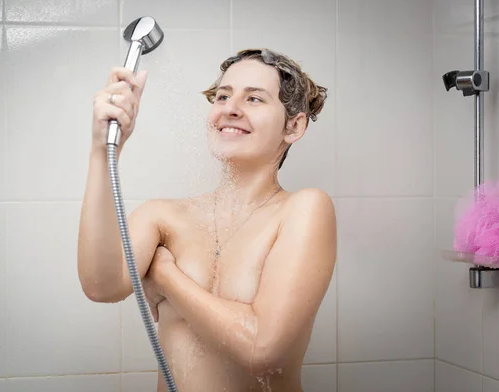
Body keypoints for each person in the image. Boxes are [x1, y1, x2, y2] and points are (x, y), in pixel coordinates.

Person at [77, 48, 337, 392]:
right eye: (223, 96)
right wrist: (101, 149)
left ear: (293, 126)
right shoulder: (164, 216)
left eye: (254, 99)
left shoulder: (303, 209)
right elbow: (101, 286)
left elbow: (262, 349)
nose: (230, 108)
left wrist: (165, 276)